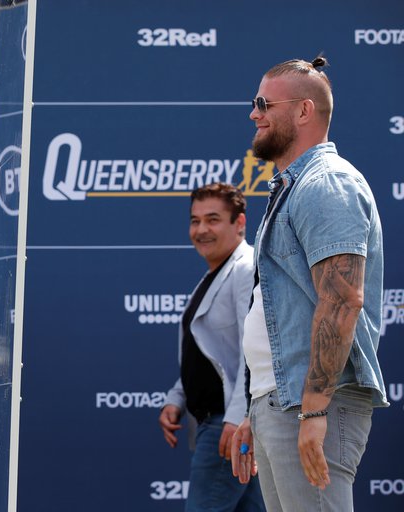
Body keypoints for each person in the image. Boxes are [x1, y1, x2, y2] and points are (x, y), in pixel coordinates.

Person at [230, 57, 387, 511]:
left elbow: (342, 300)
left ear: (303, 112)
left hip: (313, 404)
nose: (253, 113)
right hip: (284, 402)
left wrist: (314, 409)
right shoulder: (295, 186)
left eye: (263, 103)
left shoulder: (327, 183)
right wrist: (259, 405)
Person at [158, 183, 265, 511]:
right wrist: (177, 398)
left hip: (228, 428)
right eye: (195, 220)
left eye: (213, 219)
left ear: (240, 223)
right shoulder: (214, 277)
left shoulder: (245, 270)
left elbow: (254, 354)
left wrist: (237, 418)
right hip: (219, 424)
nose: (201, 229)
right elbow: (212, 353)